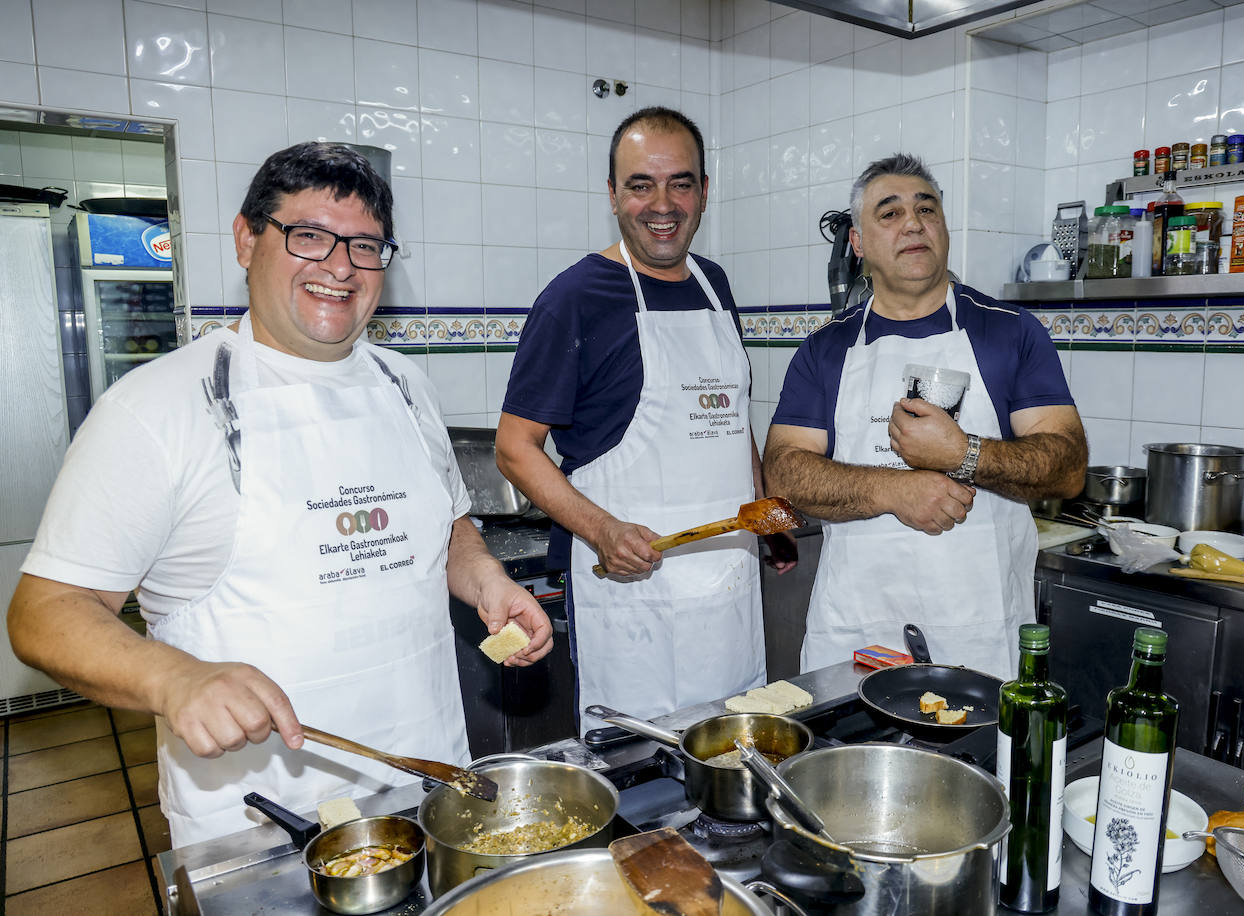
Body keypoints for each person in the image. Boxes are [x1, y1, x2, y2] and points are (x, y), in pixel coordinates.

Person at [7, 142, 553, 847]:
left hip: (426, 780)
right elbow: (44, 613)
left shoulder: (403, 384)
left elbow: (447, 526)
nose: (339, 266)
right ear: (246, 239)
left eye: (364, 246)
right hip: (259, 814)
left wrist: (486, 580)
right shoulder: (155, 408)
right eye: (308, 236)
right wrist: (173, 679)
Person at [495, 107, 794, 735]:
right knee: (640, 768)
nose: (663, 204)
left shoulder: (716, 284)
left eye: (681, 183)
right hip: (632, 600)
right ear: (611, 194)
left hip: (727, 592)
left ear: (705, 192)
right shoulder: (574, 299)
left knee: (737, 751)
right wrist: (600, 530)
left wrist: (763, 511)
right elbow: (514, 449)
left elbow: (730, 417)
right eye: (640, 185)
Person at [763, 153, 1086, 679]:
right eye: (889, 214)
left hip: (978, 640)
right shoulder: (825, 350)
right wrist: (895, 491)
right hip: (854, 643)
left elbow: (1068, 467)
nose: (913, 223)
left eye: (926, 209)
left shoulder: (1009, 332)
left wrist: (965, 454)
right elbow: (783, 473)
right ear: (859, 244)